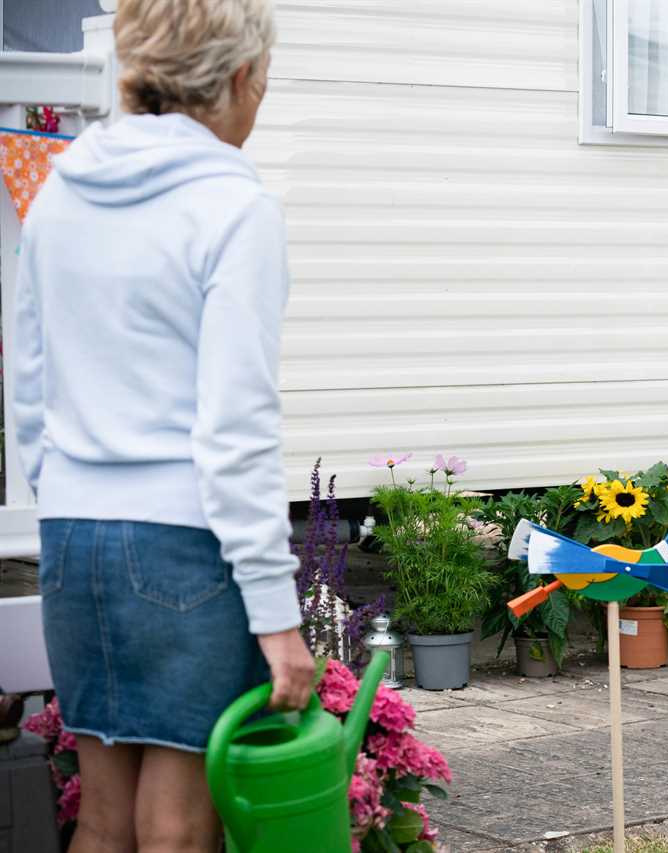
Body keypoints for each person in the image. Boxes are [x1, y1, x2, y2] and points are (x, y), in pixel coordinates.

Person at [11, 1, 314, 849]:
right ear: (242, 77)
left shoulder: (61, 191)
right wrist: (277, 619)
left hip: (74, 539)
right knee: (179, 827)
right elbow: (236, 430)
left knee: (103, 818)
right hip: (185, 544)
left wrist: (75, 496)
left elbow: (28, 392)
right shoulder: (234, 209)